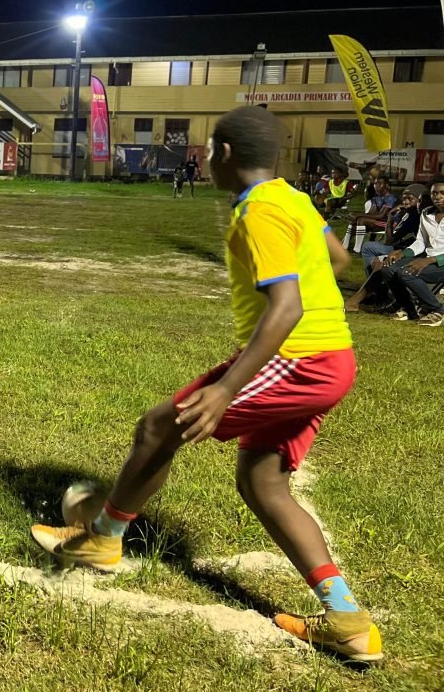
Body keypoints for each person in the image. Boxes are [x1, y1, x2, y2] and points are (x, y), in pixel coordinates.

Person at [31, 106, 382, 663]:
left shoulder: (259, 214)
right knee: (263, 483)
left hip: (299, 357)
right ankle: (348, 621)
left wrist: (225, 389)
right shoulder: (291, 198)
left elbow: (286, 307)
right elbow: (339, 259)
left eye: (208, 150)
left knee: (156, 428)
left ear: (222, 154)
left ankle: (101, 539)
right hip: (331, 358)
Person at [376, 177, 444, 325]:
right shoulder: (427, 213)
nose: (438, 197)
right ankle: (409, 307)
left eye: (442, 193)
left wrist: (429, 260)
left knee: (406, 272)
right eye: (434, 193)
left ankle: (437, 310)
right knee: (388, 268)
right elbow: (421, 242)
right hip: (429, 258)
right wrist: (402, 253)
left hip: (438, 261)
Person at [343, 189, 421, 312]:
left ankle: (361, 299)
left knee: (381, 263)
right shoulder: (407, 214)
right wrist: (390, 218)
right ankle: (377, 293)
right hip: (403, 247)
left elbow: (393, 241)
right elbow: (390, 241)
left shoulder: (417, 215)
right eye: (404, 198)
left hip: (413, 251)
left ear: (419, 200)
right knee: (369, 247)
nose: (405, 201)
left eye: (410, 199)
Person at [344, 175, 396, 252]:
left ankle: (357, 249)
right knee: (354, 220)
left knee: (362, 220)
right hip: (379, 222)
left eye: (379, 183)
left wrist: (358, 215)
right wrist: (355, 214)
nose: (376, 186)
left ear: (387, 186)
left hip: (389, 223)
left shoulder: (390, 198)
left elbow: (380, 215)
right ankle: (344, 246)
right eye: (375, 183)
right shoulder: (376, 198)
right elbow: (370, 213)